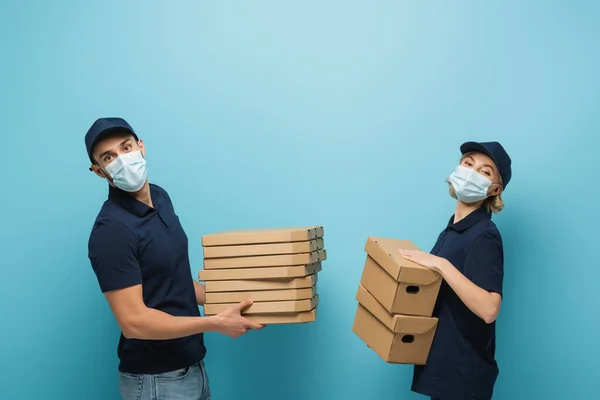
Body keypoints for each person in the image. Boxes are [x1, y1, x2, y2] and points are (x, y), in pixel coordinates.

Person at [85, 117, 263, 400]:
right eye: (109, 157)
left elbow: (172, 279)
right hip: (156, 381)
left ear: (141, 146)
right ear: (98, 171)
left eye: (126, 147)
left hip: (192, 369)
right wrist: (215, 322)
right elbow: (134, 322)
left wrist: (231, 299)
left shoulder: (160, 196)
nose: (122, 159)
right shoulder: (112, 231)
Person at [398, 141, 512, 400]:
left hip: (463, 375)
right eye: (468, 163)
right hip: (443, 369)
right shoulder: (452, 230)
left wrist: (440, 264)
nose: (472, 173)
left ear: (494, 189)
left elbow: (489, 308)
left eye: (485, 171)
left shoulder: (484, 235)